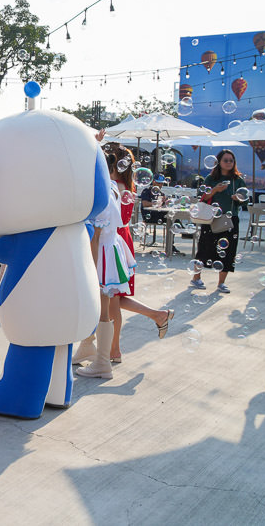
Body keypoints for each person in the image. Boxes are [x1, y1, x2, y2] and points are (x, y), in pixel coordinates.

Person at [75, 144, 173, 366]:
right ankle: (98, 346)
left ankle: (112, 350)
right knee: (112, 297)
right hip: (119, 239)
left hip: (108, 242)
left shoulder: (111, 187)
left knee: (111, 300)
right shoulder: (124, 185)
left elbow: (101, 225)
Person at [75, 149, 136, 380]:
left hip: (101, 252)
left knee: (101, 309)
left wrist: (89, 267)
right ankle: (89, 348)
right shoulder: (111, 186)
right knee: (100, 306)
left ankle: (102, 362)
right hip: (111, 249)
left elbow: (96, 234)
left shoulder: (102, 192)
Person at [189, 149, 246, 293]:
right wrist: (215, 190)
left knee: (228, 251)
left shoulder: (238, 180)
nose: (228, 163)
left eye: (231, 160)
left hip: (230, 219)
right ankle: (196, 278)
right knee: (204, 247)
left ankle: (221, 283)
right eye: (225, 160)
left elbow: (245, 201)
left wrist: (238, 199)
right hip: (211, 218)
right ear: (219, 162)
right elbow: (202, 197)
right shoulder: (211, 178)